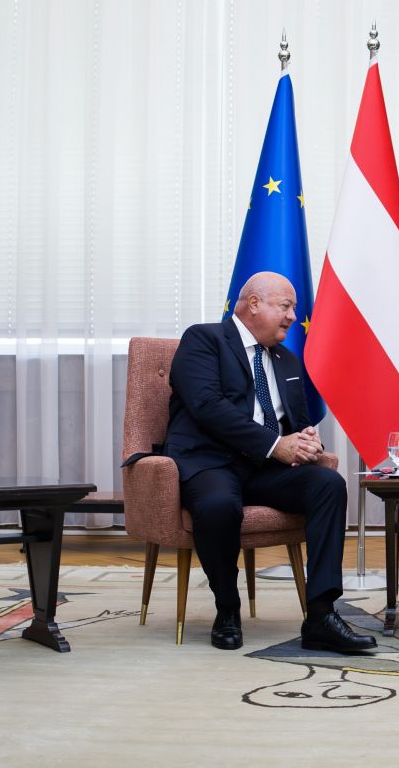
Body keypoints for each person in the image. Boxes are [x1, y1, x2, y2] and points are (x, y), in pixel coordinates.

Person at [163, 271, 375, 653]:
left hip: (264, 472)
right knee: (217, 506)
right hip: (212, 463)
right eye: (286, 306)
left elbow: (295, 423)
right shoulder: (204, 339)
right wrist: (276, 445)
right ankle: (227, 606)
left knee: (329, 485)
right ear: (255, 303)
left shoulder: (287, 360)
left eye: (294, 307)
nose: (294, 316)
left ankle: (321, 615)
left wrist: (308, 440)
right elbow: (208, 407)